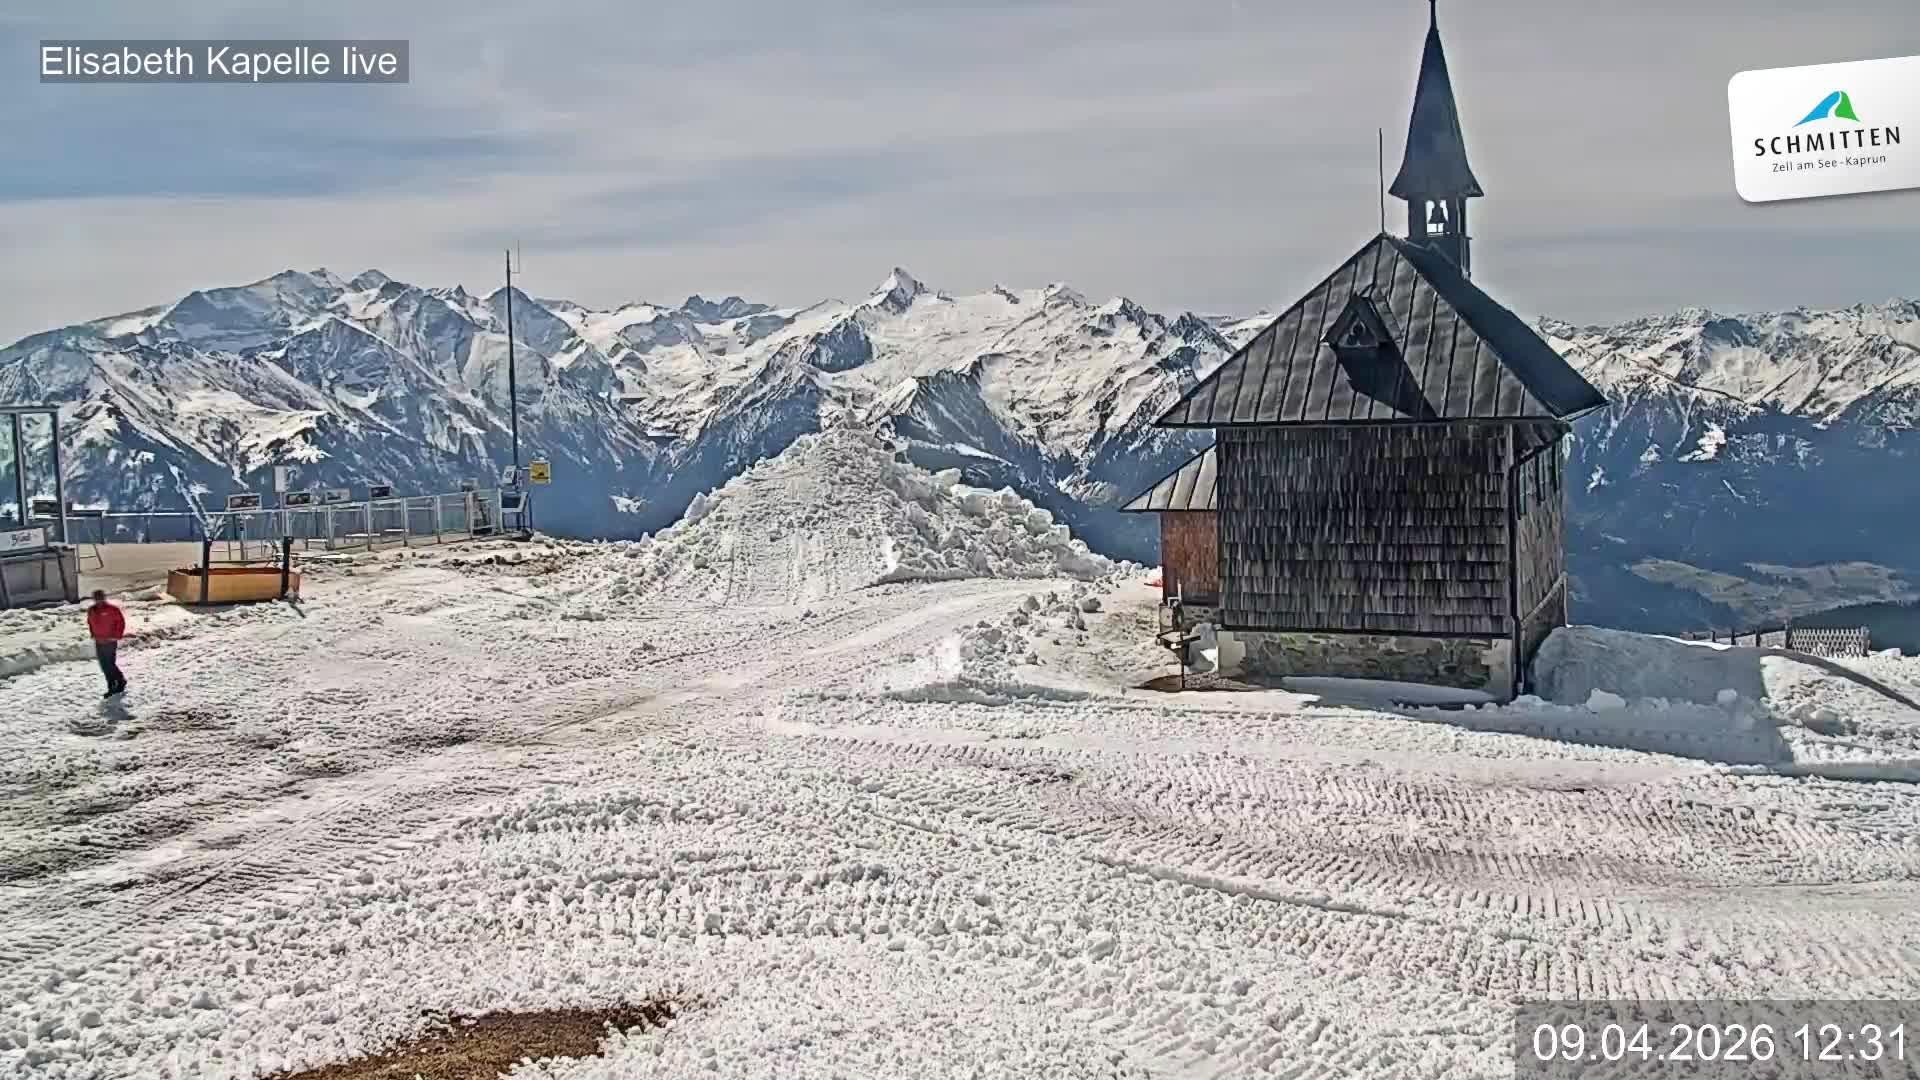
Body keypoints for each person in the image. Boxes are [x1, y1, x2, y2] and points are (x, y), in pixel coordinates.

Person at [86, 589, 127, 697]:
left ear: (104, 598)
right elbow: (90, 622)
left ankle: (114, 685)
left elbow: (121, 623)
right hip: (99, 641)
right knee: (104, 665)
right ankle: (119, 681)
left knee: (109, 664)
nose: (98, 600)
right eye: (96, 598)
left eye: (100, 598)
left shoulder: (112, 610)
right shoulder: (91, 610)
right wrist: (93, 634)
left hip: (110, 641)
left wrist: (116, 636)